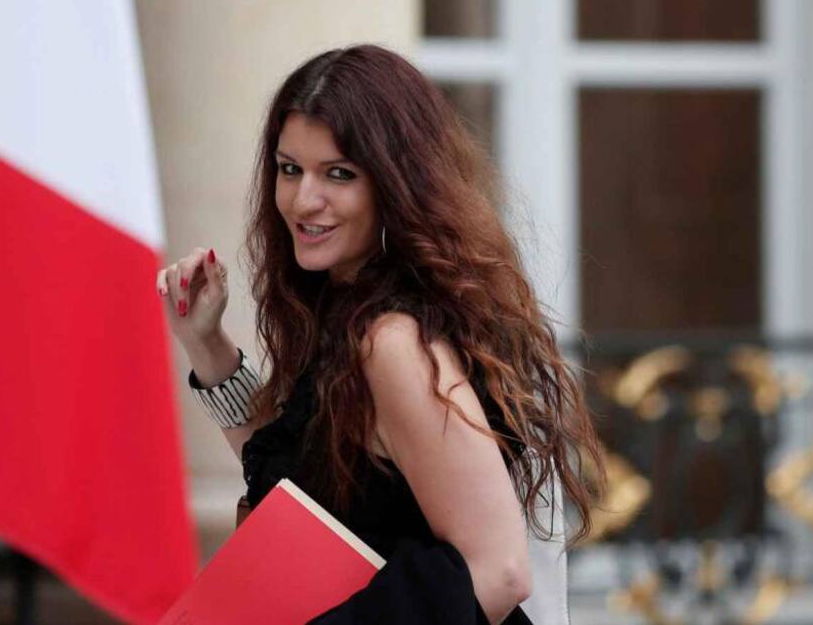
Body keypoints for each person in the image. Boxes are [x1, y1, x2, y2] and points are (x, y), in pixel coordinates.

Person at [155, 44, 602, 624]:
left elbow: (498, 570)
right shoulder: (353, 312)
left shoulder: (392, 342)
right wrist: (206, 345)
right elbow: (312, 486)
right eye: (290, 169)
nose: (303, 200)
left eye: (339, 174)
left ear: (395, 183)